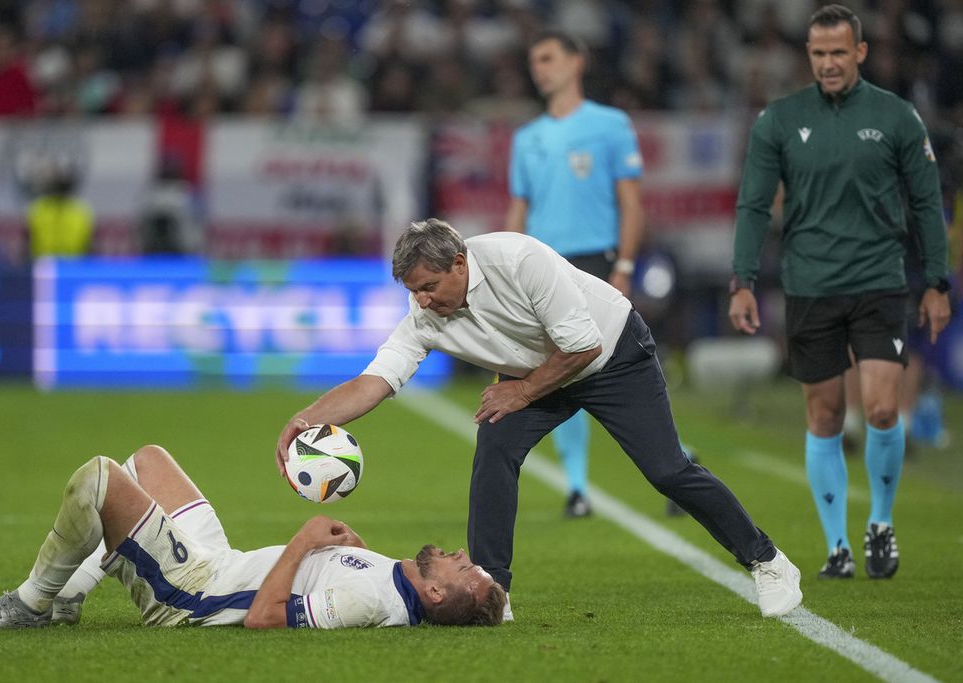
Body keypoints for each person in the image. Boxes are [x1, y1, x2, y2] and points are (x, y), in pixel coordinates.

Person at [278, 218, 803, 621]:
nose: (421, 301)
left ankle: (767, 560)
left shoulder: (519, 258)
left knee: (667, 470)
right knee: (495, 450)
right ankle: (492, 590)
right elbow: (375, 382)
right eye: (413, 291)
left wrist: (521, 392)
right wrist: (306, 419)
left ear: (459, 263)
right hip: (539, 374)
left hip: (612, 356)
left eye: (429, 286)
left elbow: (582, 346)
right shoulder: (425, 316)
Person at [729, 5, 952, 581]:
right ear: (809, 56)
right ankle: (837, 547)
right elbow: (754, 204)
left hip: (880, 280)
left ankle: (880, 523)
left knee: (880, 408)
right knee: (825, 417)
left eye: (837, 52)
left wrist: (936, 281)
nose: (827, 63)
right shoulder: (779, 119)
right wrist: (744, 280)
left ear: (860, 52)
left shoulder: (897, 116)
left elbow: (928, 202)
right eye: (818, 54)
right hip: (810, 285)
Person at [0, 444, 505, 630]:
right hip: (222, 559)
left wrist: (306, 539)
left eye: (461, 567)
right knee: (149, 459)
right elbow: (494, 610)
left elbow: (264, 617)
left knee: (99, 477)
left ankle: (33, 601)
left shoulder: (369, 602)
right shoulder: (403, 583)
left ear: (434, 595)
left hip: (194, 592)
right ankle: (72, 594)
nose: (458, 554)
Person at [504, 29, 644, 518]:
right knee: (559, 373)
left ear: (576, 61)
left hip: (594, 263)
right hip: (543, 266)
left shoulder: (610, 125)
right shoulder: (527, 139)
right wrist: (504, 269)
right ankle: (579, 487)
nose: (539, 68)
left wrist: (625, 265)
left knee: (611, 372)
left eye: (547, 58)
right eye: (533, 60)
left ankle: (677, 457)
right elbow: (518, 209)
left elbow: (630, 203)